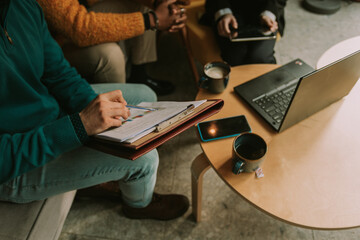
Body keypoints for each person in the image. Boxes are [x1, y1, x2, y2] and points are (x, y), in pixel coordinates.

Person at [0, 0, 189, 220]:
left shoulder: (20, 5)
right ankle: (137, 205)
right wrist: (78, 127)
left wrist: (96, 109)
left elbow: (58, 72)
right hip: (18, 164)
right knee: (146, 160)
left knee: (146, 96)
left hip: (47, 115)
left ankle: (98, 171)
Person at [36, 0, 189, 96]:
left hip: (83, 11)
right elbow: (78, 27)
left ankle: (139, 74)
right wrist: (152, 19)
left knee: (142, 6)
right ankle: (121, 118)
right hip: (54, 45)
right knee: (110, 55)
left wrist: (162, 4)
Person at [204, 0, 286, 66]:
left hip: (267, 7)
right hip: (228, 7)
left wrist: (269, 13)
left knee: (261, 58)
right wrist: (223, 12)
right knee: (235, 55)